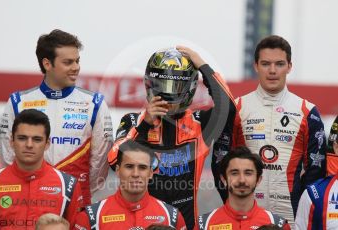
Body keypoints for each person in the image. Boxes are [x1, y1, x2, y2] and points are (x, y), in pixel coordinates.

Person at [107, 46, 236, 229]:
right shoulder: (132, 120)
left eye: (176, 86)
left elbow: (229, 109)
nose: (168, 93)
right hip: (141, 222)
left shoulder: (199, 123)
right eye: (162, 85)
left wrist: (202, 65)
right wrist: (145, 125)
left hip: (186, 224)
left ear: (190, 87)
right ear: (149, 84)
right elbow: (114, 161)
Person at [0, 29, 114, 205]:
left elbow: (100, 163)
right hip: (27, 198)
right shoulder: (18, 101)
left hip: (76, 200)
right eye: (68, 62)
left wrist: (76, 190)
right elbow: (8, 156)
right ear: (47, 63)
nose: (76, 67)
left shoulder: (94, 103)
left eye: (77, 61)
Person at [232, 35, 326, 226]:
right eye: (266, 64)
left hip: (291, 217)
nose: (273, 71)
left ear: (289, 66)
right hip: (244, 216)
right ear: (256, 66)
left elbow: (316, 172)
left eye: (279, 64)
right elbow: (223, 164)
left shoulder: (307, 111)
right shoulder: (237, 107)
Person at [0, 109, 82, 229]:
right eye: (22, 138)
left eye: (37, 139)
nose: (29, 145)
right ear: (11, 141)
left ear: (47, 144)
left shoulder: (68, 185)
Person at [74, 140, 186, 229]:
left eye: (142, 167)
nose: (135, 174)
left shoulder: (172, 217)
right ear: (118, 170)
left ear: (151, 173)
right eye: (129, 167)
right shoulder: (92, 216)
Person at [197, 147, 290, 230]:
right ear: (223, 179)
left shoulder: (278, 224)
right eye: (234, 173)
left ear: (258, 179)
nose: (242, 180)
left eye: (248, 173)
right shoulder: (203, 225)